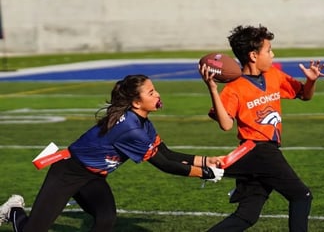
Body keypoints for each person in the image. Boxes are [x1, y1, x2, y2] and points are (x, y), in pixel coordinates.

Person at [0, 74, 224, 232]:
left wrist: (206, 161)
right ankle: (14, 210)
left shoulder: (143, 122)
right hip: (68, 172)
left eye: (155, 90)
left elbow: (165, 152)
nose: (157, 95)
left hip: (94, 177)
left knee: (105, 220)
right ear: (137, 102)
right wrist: (204, 173)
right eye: (151, 92)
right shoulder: (132, 129)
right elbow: (163, 165)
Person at [199, 24, 324, 232]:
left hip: (262, 153)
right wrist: (213, 89)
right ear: (253, 55)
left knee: (246, 216)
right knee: (301, 196)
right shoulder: (234, 88)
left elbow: (304, 95)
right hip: (259, 150)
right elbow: (226, 125)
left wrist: (310, 81)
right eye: (268, 50)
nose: (272, 54)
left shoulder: (274, 76)